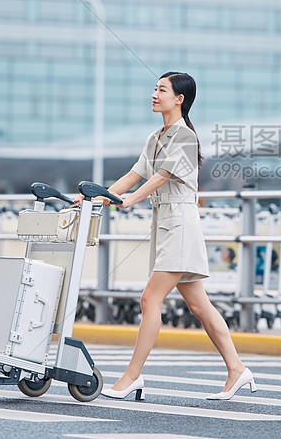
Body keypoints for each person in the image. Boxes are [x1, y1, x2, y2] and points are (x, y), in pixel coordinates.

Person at [92, 71, 255, 401]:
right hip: (165, 223)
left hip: (180, 223)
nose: (155, 94)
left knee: (150, 299)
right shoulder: (155, 137)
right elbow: (134, 175)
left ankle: (131, 376)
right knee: (199, 304)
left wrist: (130, 200)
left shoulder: (184, 136)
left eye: (161, 90)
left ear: (179, 98)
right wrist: (96, 196)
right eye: (155, 88)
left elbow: (162, 177)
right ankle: (237, 369)